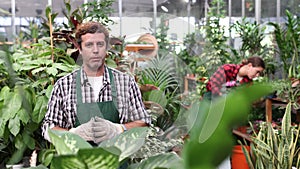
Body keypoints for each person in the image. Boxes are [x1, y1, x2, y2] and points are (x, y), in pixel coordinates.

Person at [42, 21, 151, 144]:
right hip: (76, 162)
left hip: (117, 160)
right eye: (89, 45)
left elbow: (144, 122)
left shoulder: (126, 83)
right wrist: (73, 134)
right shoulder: (64, 86)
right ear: (80, 49)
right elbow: (48, 128)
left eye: (100, 44)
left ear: (106, 47)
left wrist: (118, 129)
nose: (95, 50)